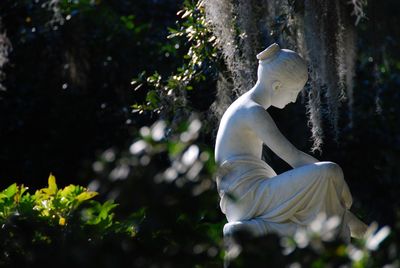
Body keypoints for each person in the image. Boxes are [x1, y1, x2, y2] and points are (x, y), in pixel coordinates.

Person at [214, 43, 367, 241]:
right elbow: (294, 158)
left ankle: (348, 228)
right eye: (294, 91)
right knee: (330, 172)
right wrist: (341, 183)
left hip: (250, 195)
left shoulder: (247, 107)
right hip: (246, 199)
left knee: (326, 191)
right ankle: (344, 233)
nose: (294, 100)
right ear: (277, 86)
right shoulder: (252, 111)